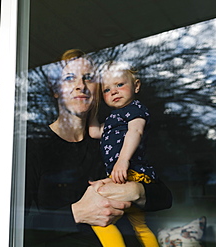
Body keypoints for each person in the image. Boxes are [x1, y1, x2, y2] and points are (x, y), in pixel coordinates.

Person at [24, 49, 172, 247]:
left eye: (88, 78)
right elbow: (12, 225)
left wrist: (138, 191)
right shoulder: (32, 147)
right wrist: (76, 213)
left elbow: (165, 197)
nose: (80, 86)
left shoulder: (114, 139)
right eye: (70, 78)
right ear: (56, 89)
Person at [89, 61, 159, 246]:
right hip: (122, 174)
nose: (113, 91)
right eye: (106, 90)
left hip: (131, 172)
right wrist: (93, 109)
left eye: (120, 84)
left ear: (136, 86)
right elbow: (94, 132)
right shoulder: (113, 119)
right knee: (140, 227)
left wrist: (122, 161)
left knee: (96, 213)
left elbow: (135, 132)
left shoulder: (135, 110)